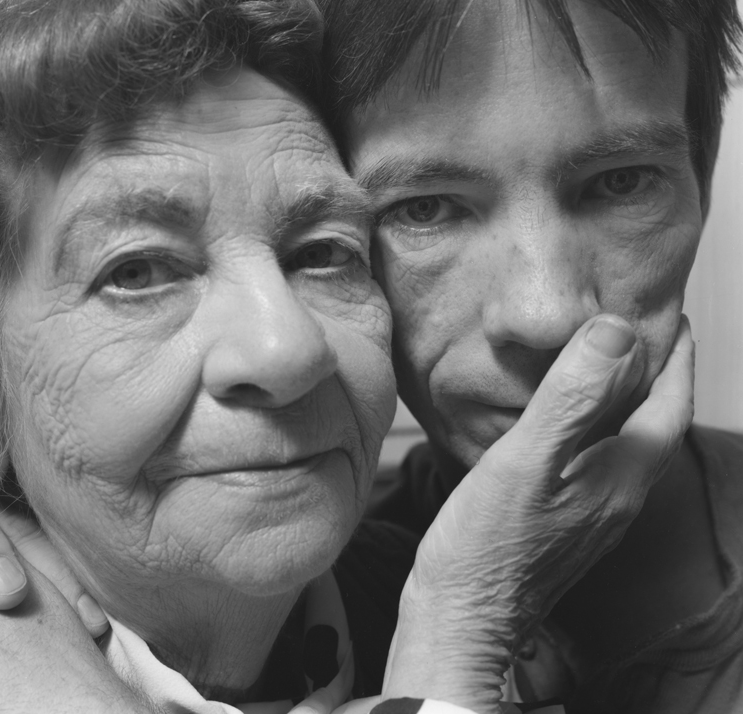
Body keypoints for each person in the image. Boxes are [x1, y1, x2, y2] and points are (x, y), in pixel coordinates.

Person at [0, 1, 695, 713]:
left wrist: (458, 642)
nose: (288, 348)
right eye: (137, 271)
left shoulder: (480, 607)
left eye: (323, 252)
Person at [316, 0, 743, 711]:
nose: (546, 316)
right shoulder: (292, 615)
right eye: (425, 207)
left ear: (701, 178)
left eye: (622, 182)